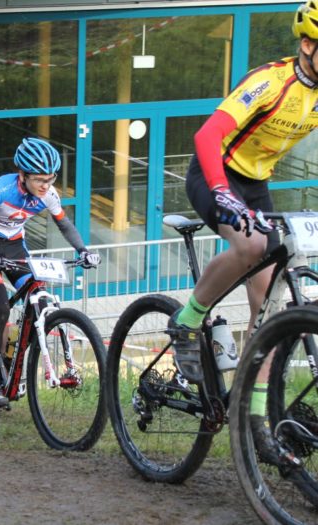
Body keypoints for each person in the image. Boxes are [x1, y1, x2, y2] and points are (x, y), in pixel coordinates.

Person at [166, 0, 318, 467]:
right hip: (215, 173)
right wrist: (220, 191)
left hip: (256, 184)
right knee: (251, 245)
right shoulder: (271, 82)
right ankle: (188, 318)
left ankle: (251, 416)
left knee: (268, 312)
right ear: (308, 45)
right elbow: (206, 137)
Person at [0, 137, 100, 408]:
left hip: (15, 247)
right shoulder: (1, 189)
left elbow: (65, 225)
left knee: (41, 303)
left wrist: (83, 250)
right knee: (0, 309)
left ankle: (10, 361)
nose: (46, 185)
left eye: (51, 179)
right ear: (22, 175)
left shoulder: (48, 194)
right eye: (39, 180)